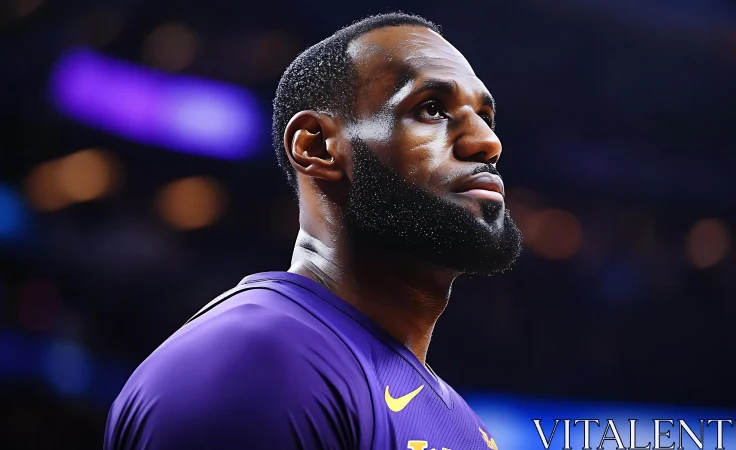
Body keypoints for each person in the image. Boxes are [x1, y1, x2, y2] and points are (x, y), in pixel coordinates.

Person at [104, 12, 522, 450]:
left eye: (485, 116)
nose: (487, 143)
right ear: (316, 146)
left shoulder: (461, 422)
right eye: (431, 109)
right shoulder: (258, 363)